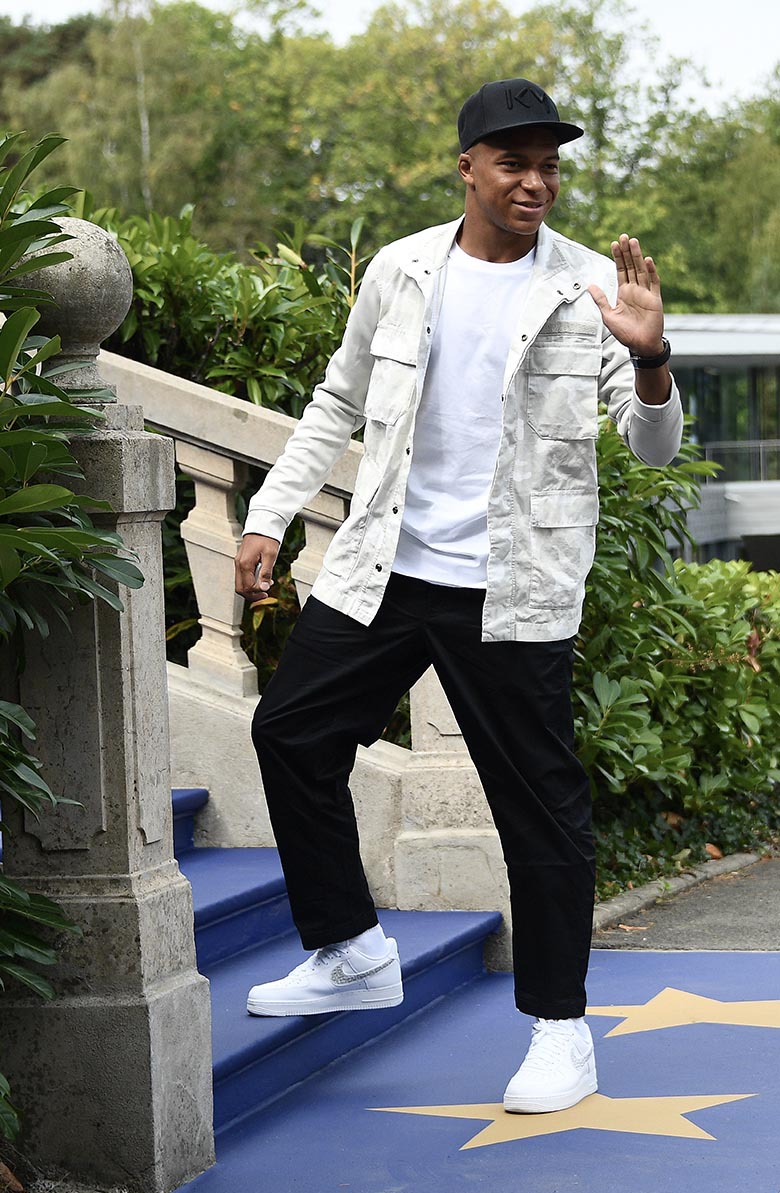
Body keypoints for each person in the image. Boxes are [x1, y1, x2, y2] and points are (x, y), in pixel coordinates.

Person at [234, 76, 683, 1115]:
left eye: (551, 164)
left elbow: (651, 445)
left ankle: (562, 1032)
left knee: (540, 808)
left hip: (512, 584)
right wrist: (268, 513)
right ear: (468, 168)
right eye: (516, 162)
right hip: (387, 566)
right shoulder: (403, 269)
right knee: (291, 731)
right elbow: (338, 398)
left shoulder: (587, 288)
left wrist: (652, 358)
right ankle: (349, 948)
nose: (537, 181)